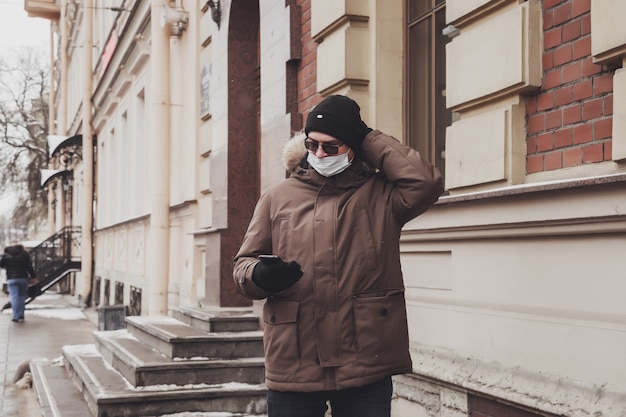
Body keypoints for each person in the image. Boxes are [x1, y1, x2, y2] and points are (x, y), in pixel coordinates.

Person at [233, 94, 444, 417]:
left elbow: (426, 182)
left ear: (352, 147)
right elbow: (243, 265)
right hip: (295, 358)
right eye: (311, 144)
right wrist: (260, 276)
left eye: (330, 147)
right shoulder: (278, 197)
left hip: (364, 359)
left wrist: (369, 138)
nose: (318, 153)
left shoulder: (382, 195)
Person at [0, 241, 37, 322]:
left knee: (14, 297)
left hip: (11, 279)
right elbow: (29, 266)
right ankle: (21, 315)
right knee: (22, 296)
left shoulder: (6, 255)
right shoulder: (24, 254)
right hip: (23, 278)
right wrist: (33, 277)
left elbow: (2, 265)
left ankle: (15, 316)